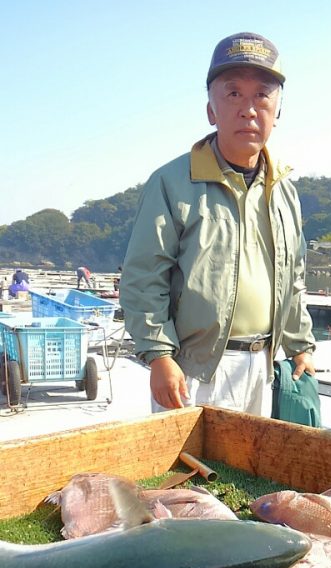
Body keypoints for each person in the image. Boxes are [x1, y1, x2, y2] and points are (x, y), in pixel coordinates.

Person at [120, 31, 316, 416]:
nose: (249, 109)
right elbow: (144, 276)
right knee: (185, 474)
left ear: (278, 110)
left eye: (262, 94)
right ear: (211, 110)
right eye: (233, 94)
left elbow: (292, 278)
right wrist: (159, 355)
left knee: (250, 473)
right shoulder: (172, 183)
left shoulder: (284, 191)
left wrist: (300, 346)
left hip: (262, 368)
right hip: (192, 371)